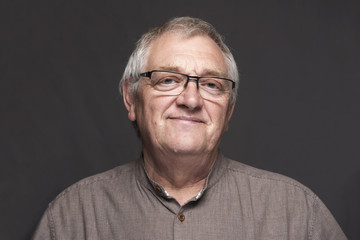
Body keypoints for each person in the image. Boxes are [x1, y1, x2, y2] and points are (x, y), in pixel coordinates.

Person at [32, 16, 347, 239]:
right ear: (131, 98)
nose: (191, 99)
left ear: (229, 110)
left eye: (211, 85)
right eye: (168, 79)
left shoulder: (296, 215)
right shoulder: (72, 218)